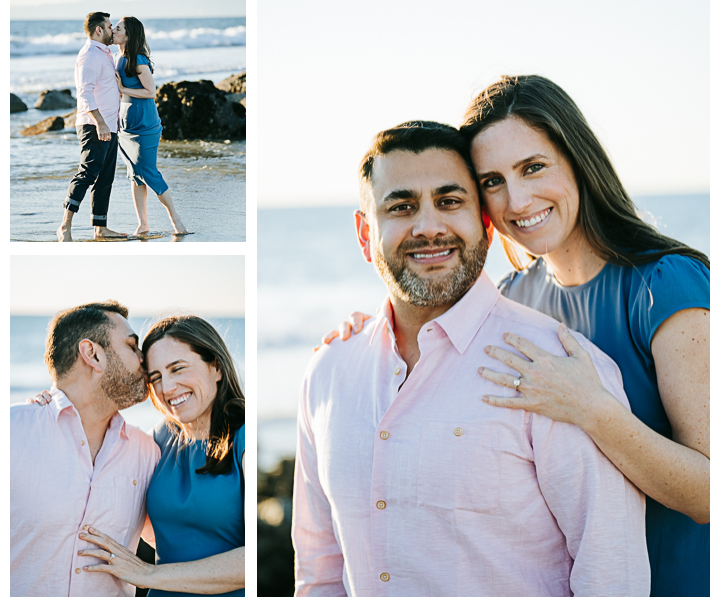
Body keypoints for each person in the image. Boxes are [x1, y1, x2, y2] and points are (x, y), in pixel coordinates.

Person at [328, 77, 710, 597]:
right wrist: (367, 336)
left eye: (533, 167)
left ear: (577, 159)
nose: (517, 198)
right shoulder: (517, 296)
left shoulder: (666, 284)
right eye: (492, 180)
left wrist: (593, 410)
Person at [76, 315, 245, 597]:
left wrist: (148, 573)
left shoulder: (243, 438)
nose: (167, 389)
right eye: (156, 377)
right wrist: (52, 409)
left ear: (216, 367)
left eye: (177, 369)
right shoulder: (158, 440)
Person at [11, 300, 160, 596]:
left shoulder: (148, 453)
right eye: (132, 346)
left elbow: (179, 541)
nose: (145, 359)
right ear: (92, 354)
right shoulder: (12, 432)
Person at [113, 17, 189, 237]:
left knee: (149, 172)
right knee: (135, 175)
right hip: (126, 124)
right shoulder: (118, 57)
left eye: (118, 28)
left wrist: (123, 89)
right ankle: (143, 224)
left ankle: (176, 219)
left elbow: (151, 92)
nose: (114, 31)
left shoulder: (138, 59)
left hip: (145, 125)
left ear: (128, 35)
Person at [57, 12, 128, 242]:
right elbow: (84, 93)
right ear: (99, 30)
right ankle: (65, 226)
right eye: (109, 26)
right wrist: (100, 123)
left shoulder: (105, 53)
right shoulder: (89, 55)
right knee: (87, 173)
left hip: (110, 125)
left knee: (105, 177)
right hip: (94, 124)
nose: (112, 30)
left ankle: (100, 227)